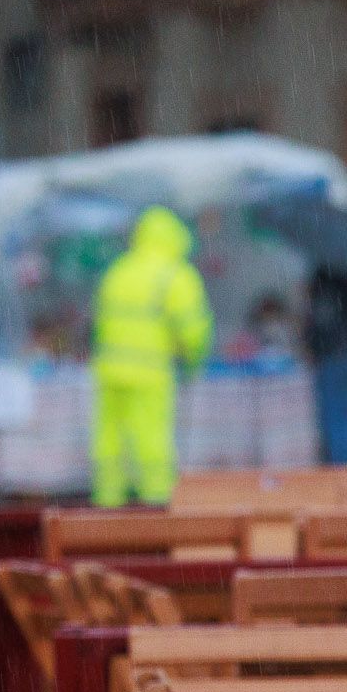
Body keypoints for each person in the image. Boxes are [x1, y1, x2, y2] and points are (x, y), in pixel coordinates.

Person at [89, 207, 212, 508]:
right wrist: (195, 361)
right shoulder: (176, 274)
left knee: (110, 440)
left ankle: (107, 502)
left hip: (109, 372)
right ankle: (157, 504)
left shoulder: (119, 269)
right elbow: (193, 330)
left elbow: (99, 324)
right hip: (150, 372)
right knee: (152, 440)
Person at [302, 264, 347, 466]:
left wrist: (310, 340)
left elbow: (323, 320)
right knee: (345, 413)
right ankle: (346, 462)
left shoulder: (327, 277)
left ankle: (341, 465)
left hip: (332, 353)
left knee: (335, 415)